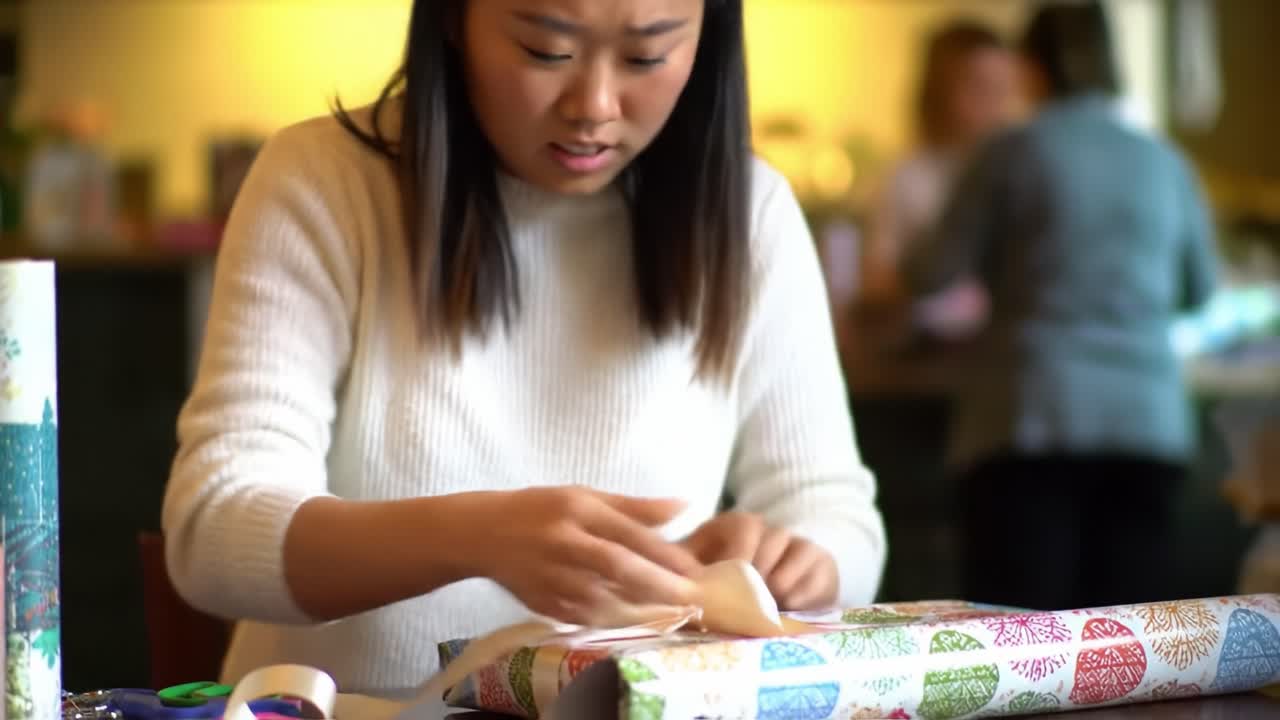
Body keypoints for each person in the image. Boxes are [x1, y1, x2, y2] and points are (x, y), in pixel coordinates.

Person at [161, 0, 887, 696]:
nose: (594, 105)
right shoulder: (325, 182)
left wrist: (803, 565)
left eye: (646, 56)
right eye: (547, 50)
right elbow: (214, 532)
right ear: (454, 17)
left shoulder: (749, 211)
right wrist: (476, 537)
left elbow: (835, 512)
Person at [906, 1, 1219, 611]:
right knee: (1134, 644)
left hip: (1031, 419)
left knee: (1022, 641)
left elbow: (931, 273)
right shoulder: (1165, 160)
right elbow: (1200, 290)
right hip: (1147, 426)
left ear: (1031, 68)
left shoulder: (1010, 152)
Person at [860, 18, 1018, 337]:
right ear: (939, 89)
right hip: (934, 343)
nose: (995, 104)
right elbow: (876, 279)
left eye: (1002, 89)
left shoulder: (1021, 173)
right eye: (978, 87)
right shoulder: (905, 178)